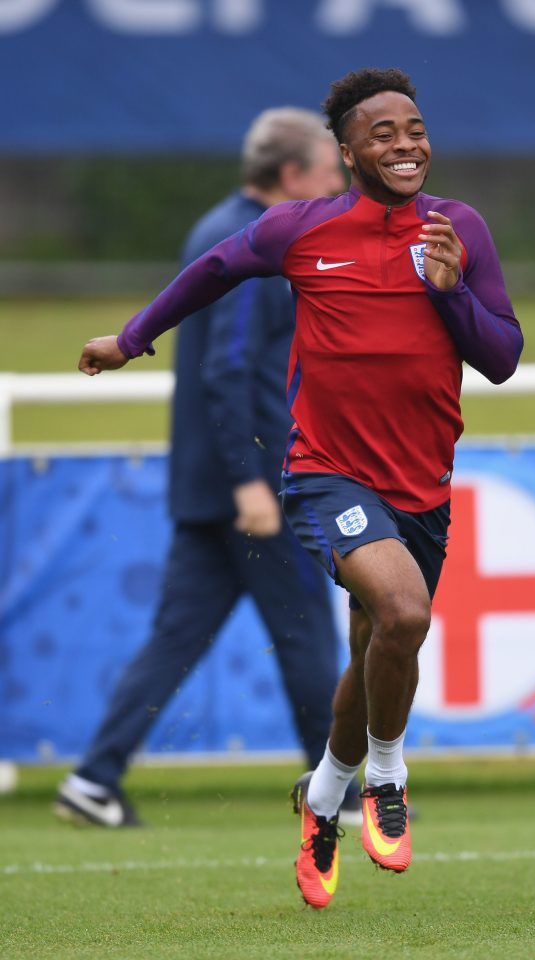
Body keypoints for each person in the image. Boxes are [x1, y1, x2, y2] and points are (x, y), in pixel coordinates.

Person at [76, 68, 523, 908]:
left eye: (415, 129)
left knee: (371, 650)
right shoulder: (300, 229)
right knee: (405, 614)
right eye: (383, 134)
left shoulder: (458, 230)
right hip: (326, 472)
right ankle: (383, 780)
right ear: (347, 151)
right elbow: (209, 271)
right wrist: (131, 339)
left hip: (422, 483)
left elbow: (501, 358)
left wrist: (454, 291)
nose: (405, 145)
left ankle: (321, 800)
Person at [55, 106, 362, 829]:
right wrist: (250, 482)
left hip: (210, 480)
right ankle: (343, 795)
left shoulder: (216, 224)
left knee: (176, 637)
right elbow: (227, 373)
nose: (337, 183)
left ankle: (94, 781)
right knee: (307, 633)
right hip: (251, 482)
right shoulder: (257, 241)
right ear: (290, 175)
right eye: (327, 170)